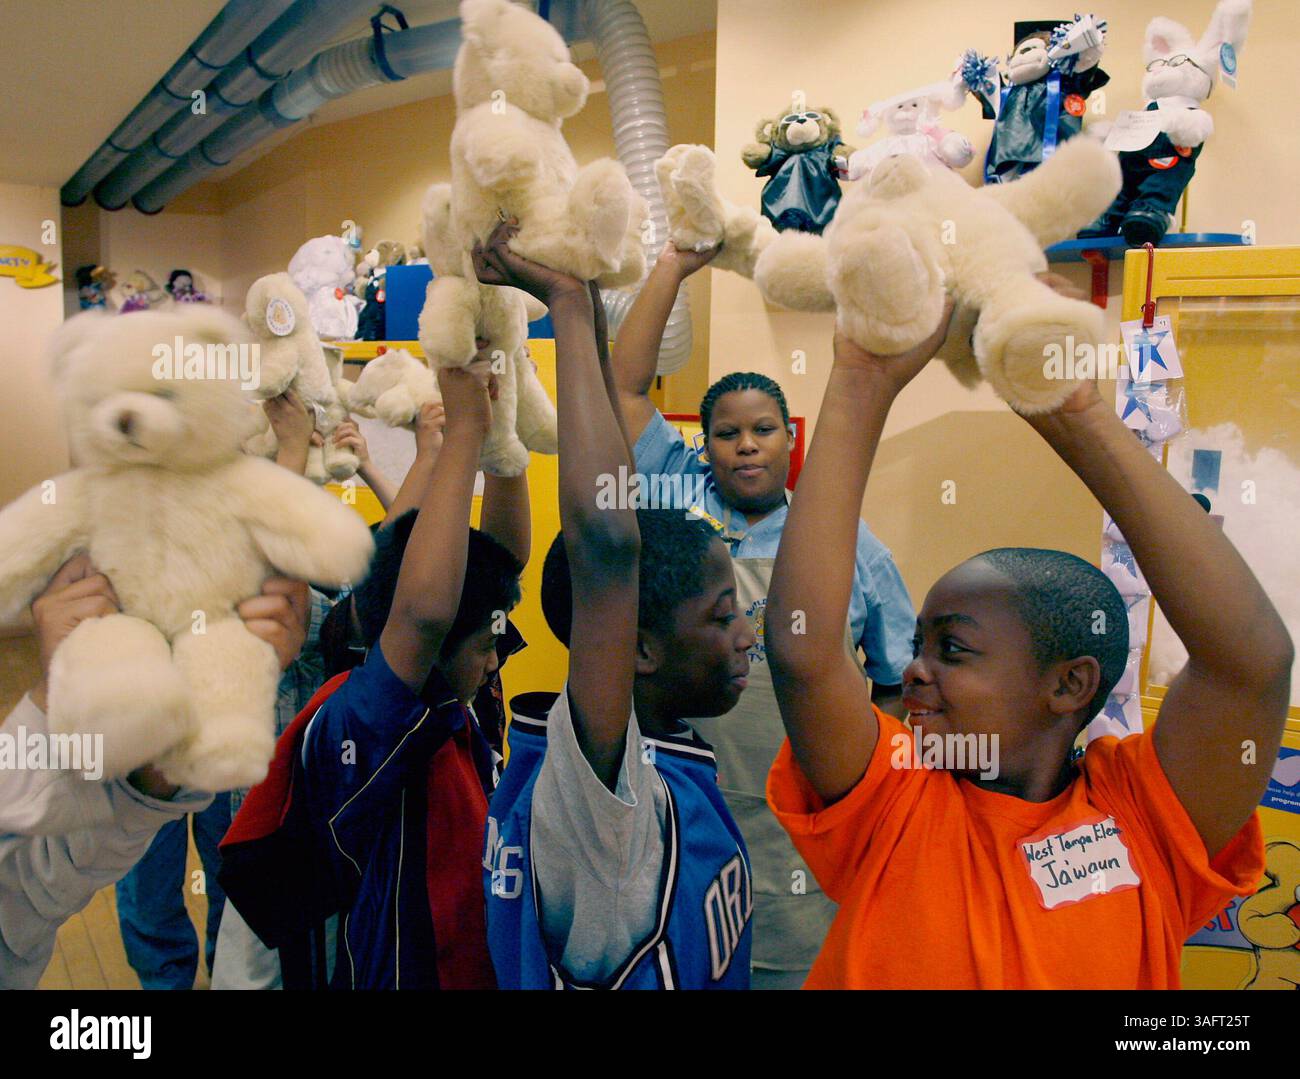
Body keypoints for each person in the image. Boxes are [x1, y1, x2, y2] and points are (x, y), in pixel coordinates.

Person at [763, 292, 1292, 989]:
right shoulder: (897, 791)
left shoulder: (1141, 815)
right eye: (920, 645)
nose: (914, 672)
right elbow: (804, 651)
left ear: (1068, 684)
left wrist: (1073, 412)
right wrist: (862, 382)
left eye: (951, 650)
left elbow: (1252, 663)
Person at [609, 241, 916, 986]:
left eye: (763, 430)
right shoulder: (676, 502)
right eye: (726, 433)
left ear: (790, 438)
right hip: (683, 799)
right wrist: (676, 267)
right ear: (702, 446)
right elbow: (623, 387)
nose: (746, 445)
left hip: (805, 822)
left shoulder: (841, 540)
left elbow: (898, 680)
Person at [475, 220, 755, 989]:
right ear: (636, 645)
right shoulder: (603, 798)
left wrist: (591, 312)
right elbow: (605, 539)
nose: (745, 634)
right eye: (722, 613)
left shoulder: (652, 753)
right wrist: (565, 304)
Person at [292, 350, 530, 990]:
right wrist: (461, 434)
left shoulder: (460, 695)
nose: (494, 657)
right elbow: (423, 609)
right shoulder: (372, 713)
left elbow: (503, 560)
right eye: (483, 643)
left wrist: (502, 425)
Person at [0, 554, 308, 990]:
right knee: (148, 884)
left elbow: (37, 877)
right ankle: (166, 979)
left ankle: (220, 969)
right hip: (134, 706)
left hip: (212, 709)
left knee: (223, 861)